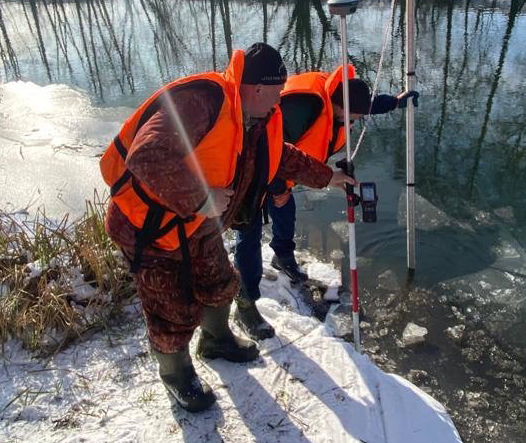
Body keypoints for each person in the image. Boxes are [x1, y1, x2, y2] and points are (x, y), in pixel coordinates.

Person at [101, 43, 355, 413]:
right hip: (148, 230)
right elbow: (147, 155)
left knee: (220, 282)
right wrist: (202, 198)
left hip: (196, 224)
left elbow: (279, 155)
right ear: (255, 89)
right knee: (171, 311)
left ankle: (216, 340)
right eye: (275, 95)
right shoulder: (201, 103)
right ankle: (176, 375)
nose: (278, 103)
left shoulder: (253, 116)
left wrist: (328, 176)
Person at [231, 66, 416, 339]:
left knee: (285, 211)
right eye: (353, 116)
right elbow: (272, 148)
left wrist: (396, 102)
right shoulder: (303, 109)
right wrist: (277, 187)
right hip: (250, 169)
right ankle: (245, 304)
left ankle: (283, 257)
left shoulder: (342, 98)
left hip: (284, 169)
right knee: (249, 233)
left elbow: (368, 104)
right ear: (339, 106)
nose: (356, 120)